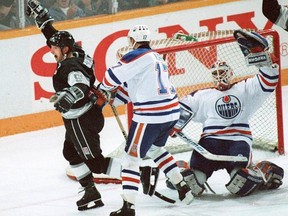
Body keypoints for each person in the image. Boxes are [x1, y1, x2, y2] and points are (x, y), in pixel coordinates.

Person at [26, 0, 122, 211]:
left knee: (96, 163)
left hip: (82, 119)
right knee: (70, 153)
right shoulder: (77, 53)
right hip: (84, 115)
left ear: (65, 49)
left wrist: (69, 96)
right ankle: (90, 192)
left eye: (55, 48)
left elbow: (79, 83)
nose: (51, 50)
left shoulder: (69, 65)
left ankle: (140, 175)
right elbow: (55, 37)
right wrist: (42, 20)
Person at [166, 30, 284, 197]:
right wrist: (171, 123)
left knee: (241, 181)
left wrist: (262, 59)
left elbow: (269, 80)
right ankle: (182, 167)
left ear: (230, 73)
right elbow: (180, 110)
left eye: (223, 72)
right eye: (216, 73)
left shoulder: (244, 88)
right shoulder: (202, 95)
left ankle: (263, 171)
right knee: (193, 182)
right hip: (209, 144)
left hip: (237, 141)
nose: (220, 76)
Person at [98, 24, 194, 216]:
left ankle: (128, 208)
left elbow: (109, 78)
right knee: (154, 149)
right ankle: (182, 187)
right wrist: (112, 98)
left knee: (130, 160)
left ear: (133, 41)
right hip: (171, 113)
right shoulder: (156, 58)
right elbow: (128, 92)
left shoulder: (136, 56)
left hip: (151, 116)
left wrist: (103, 88)